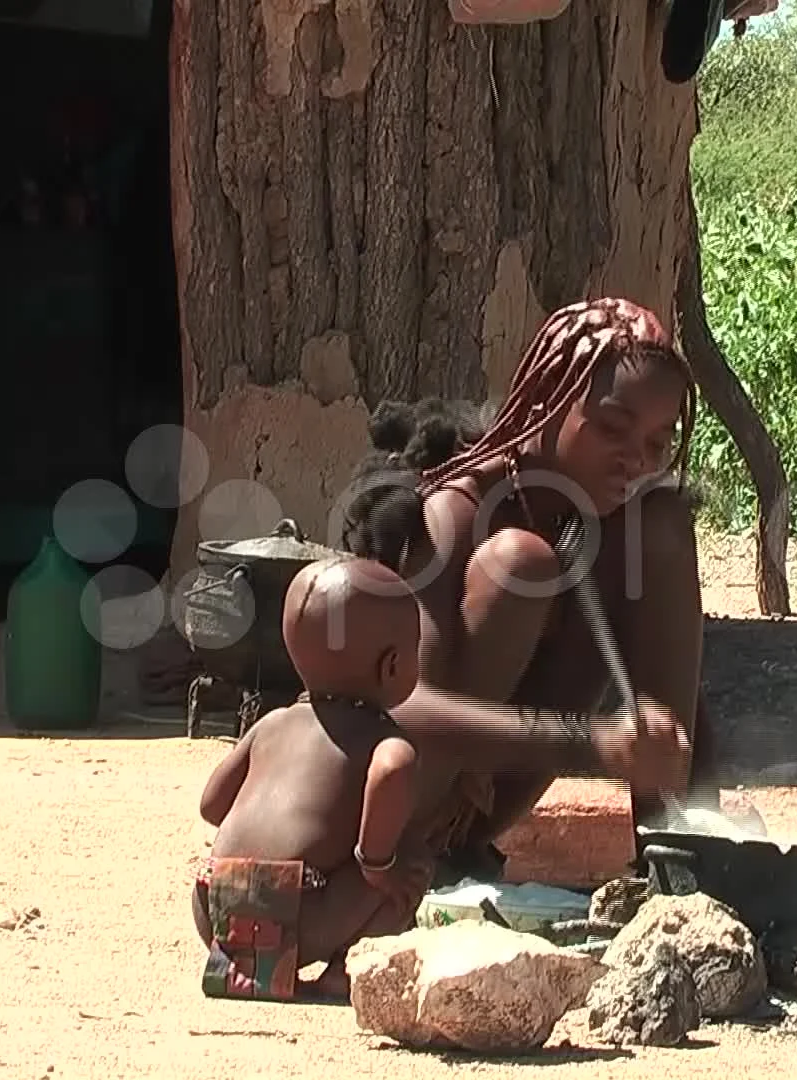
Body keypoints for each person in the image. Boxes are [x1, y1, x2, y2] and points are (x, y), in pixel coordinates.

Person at [339, 297, 712, 886]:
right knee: (522, 563)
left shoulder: (602, 512)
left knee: (661, 524)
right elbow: (406, 713)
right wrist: (591, 744)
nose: (635, 461)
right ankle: (426, 859)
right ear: (546, 404)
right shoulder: (451, 511)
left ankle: (673, 854)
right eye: (613, 428)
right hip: (395, 807)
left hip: (488, 797)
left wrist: (660, 747)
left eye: (658, 442)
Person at [191, 557, 431, 1000]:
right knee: (411, 865)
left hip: (215, 906)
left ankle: (239, 967)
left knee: (365, 859)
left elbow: (211, 807)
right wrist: (378, 867)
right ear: (392, 666)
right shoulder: (382, 738)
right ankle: (344, 971)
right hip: (298, 915)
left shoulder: (272, 723)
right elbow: (393, 769)